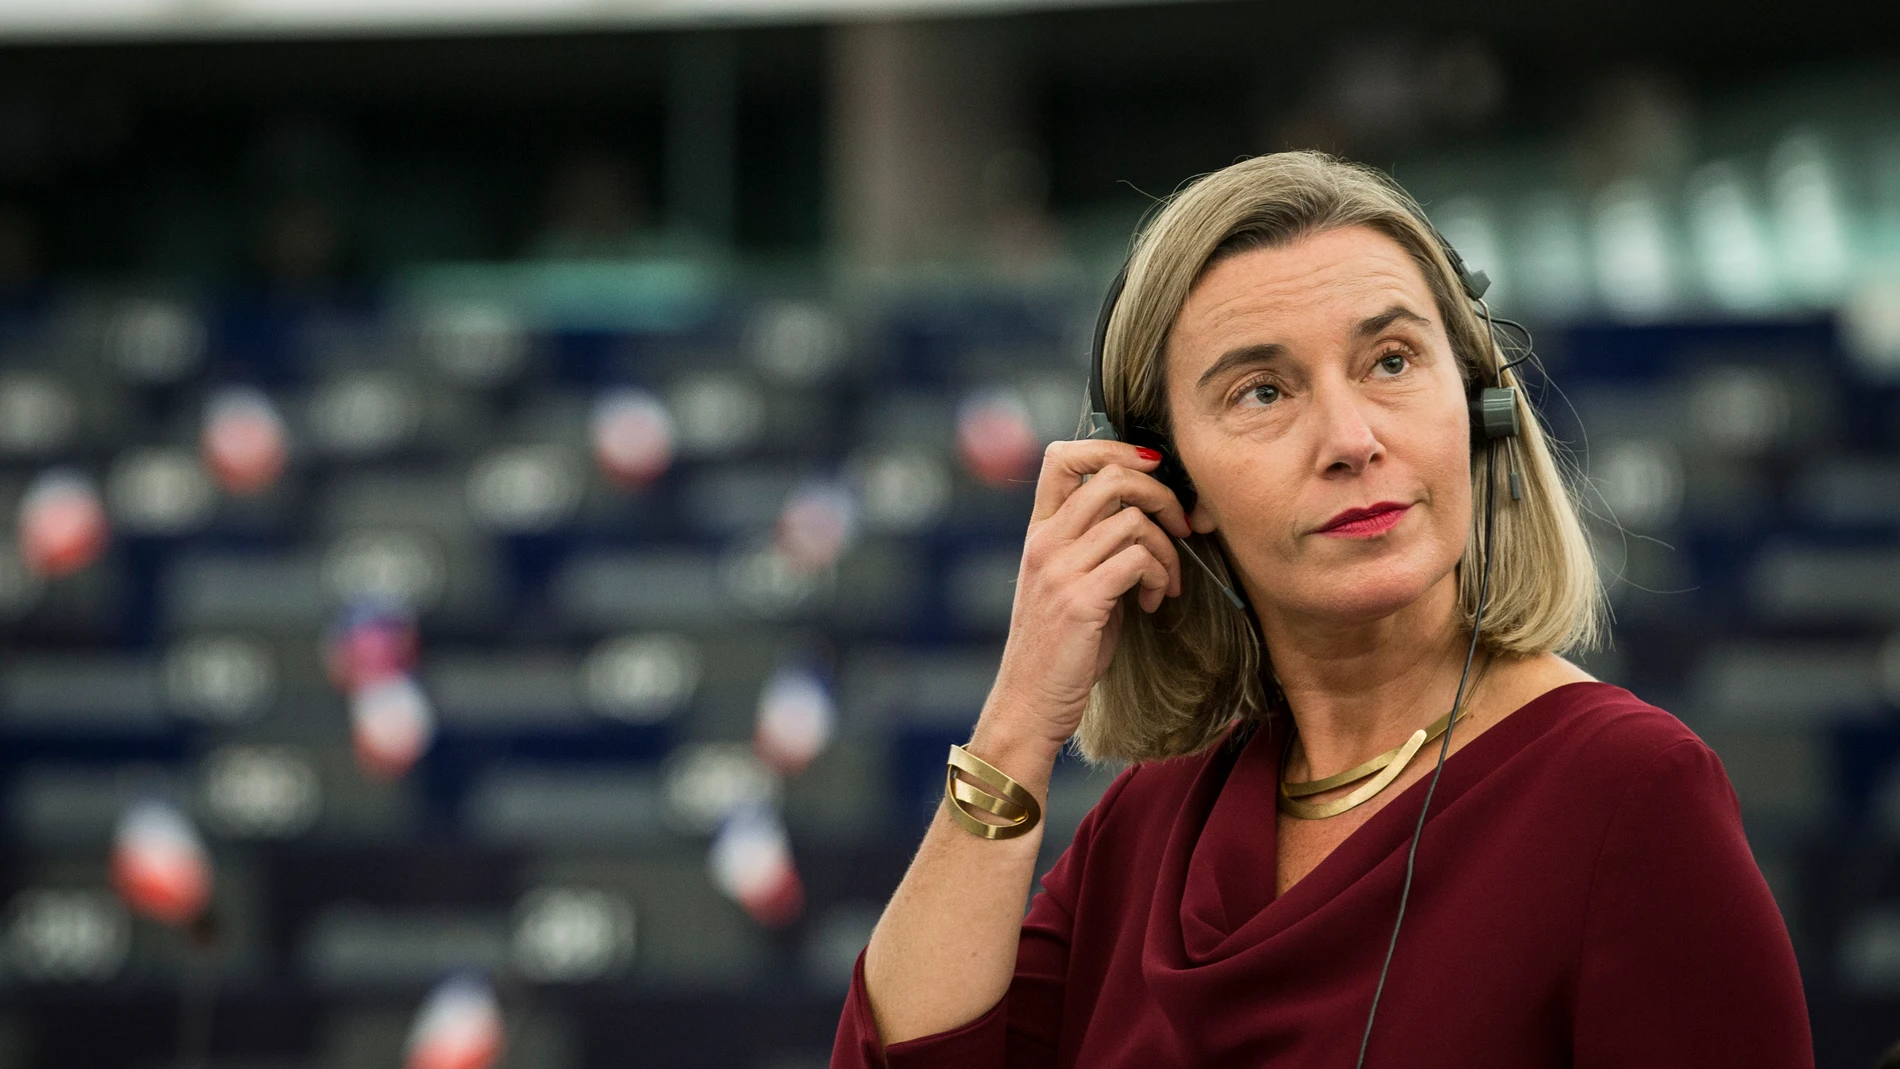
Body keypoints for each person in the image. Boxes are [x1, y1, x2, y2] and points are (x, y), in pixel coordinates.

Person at [829, 151, 1812, 1068]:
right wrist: (1019, 720)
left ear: (1479, 406)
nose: (1350, 439)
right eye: (1263, 391)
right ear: (1168, 482)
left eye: (1390, 361)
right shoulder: (1151, 819)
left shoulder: (1633, 792)